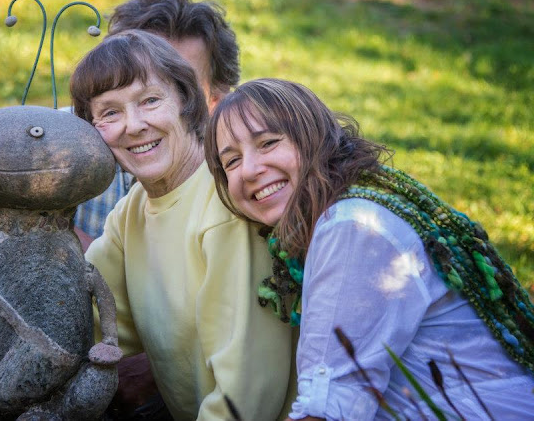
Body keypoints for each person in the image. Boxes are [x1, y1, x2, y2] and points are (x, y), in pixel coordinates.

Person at [204, 78, 534, 420]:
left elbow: (328, 412)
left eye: (268, 143)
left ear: (312, 137)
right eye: (232, 161)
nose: (249, 170)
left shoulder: (351, 228)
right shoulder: (343, 212)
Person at [69, 31, 294, 420]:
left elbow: (246, 396)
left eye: (150, 101)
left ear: (187, 102)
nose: (133, 125)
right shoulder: (132, 211)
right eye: (109, 113)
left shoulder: (224, 206)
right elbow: (86, 321)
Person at [0, 0, 239, 248]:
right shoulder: (61, 135)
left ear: (215, 100)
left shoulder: (232, 175)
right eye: (127, 81)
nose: (136, 122)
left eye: (156, 96)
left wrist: (35, 223)